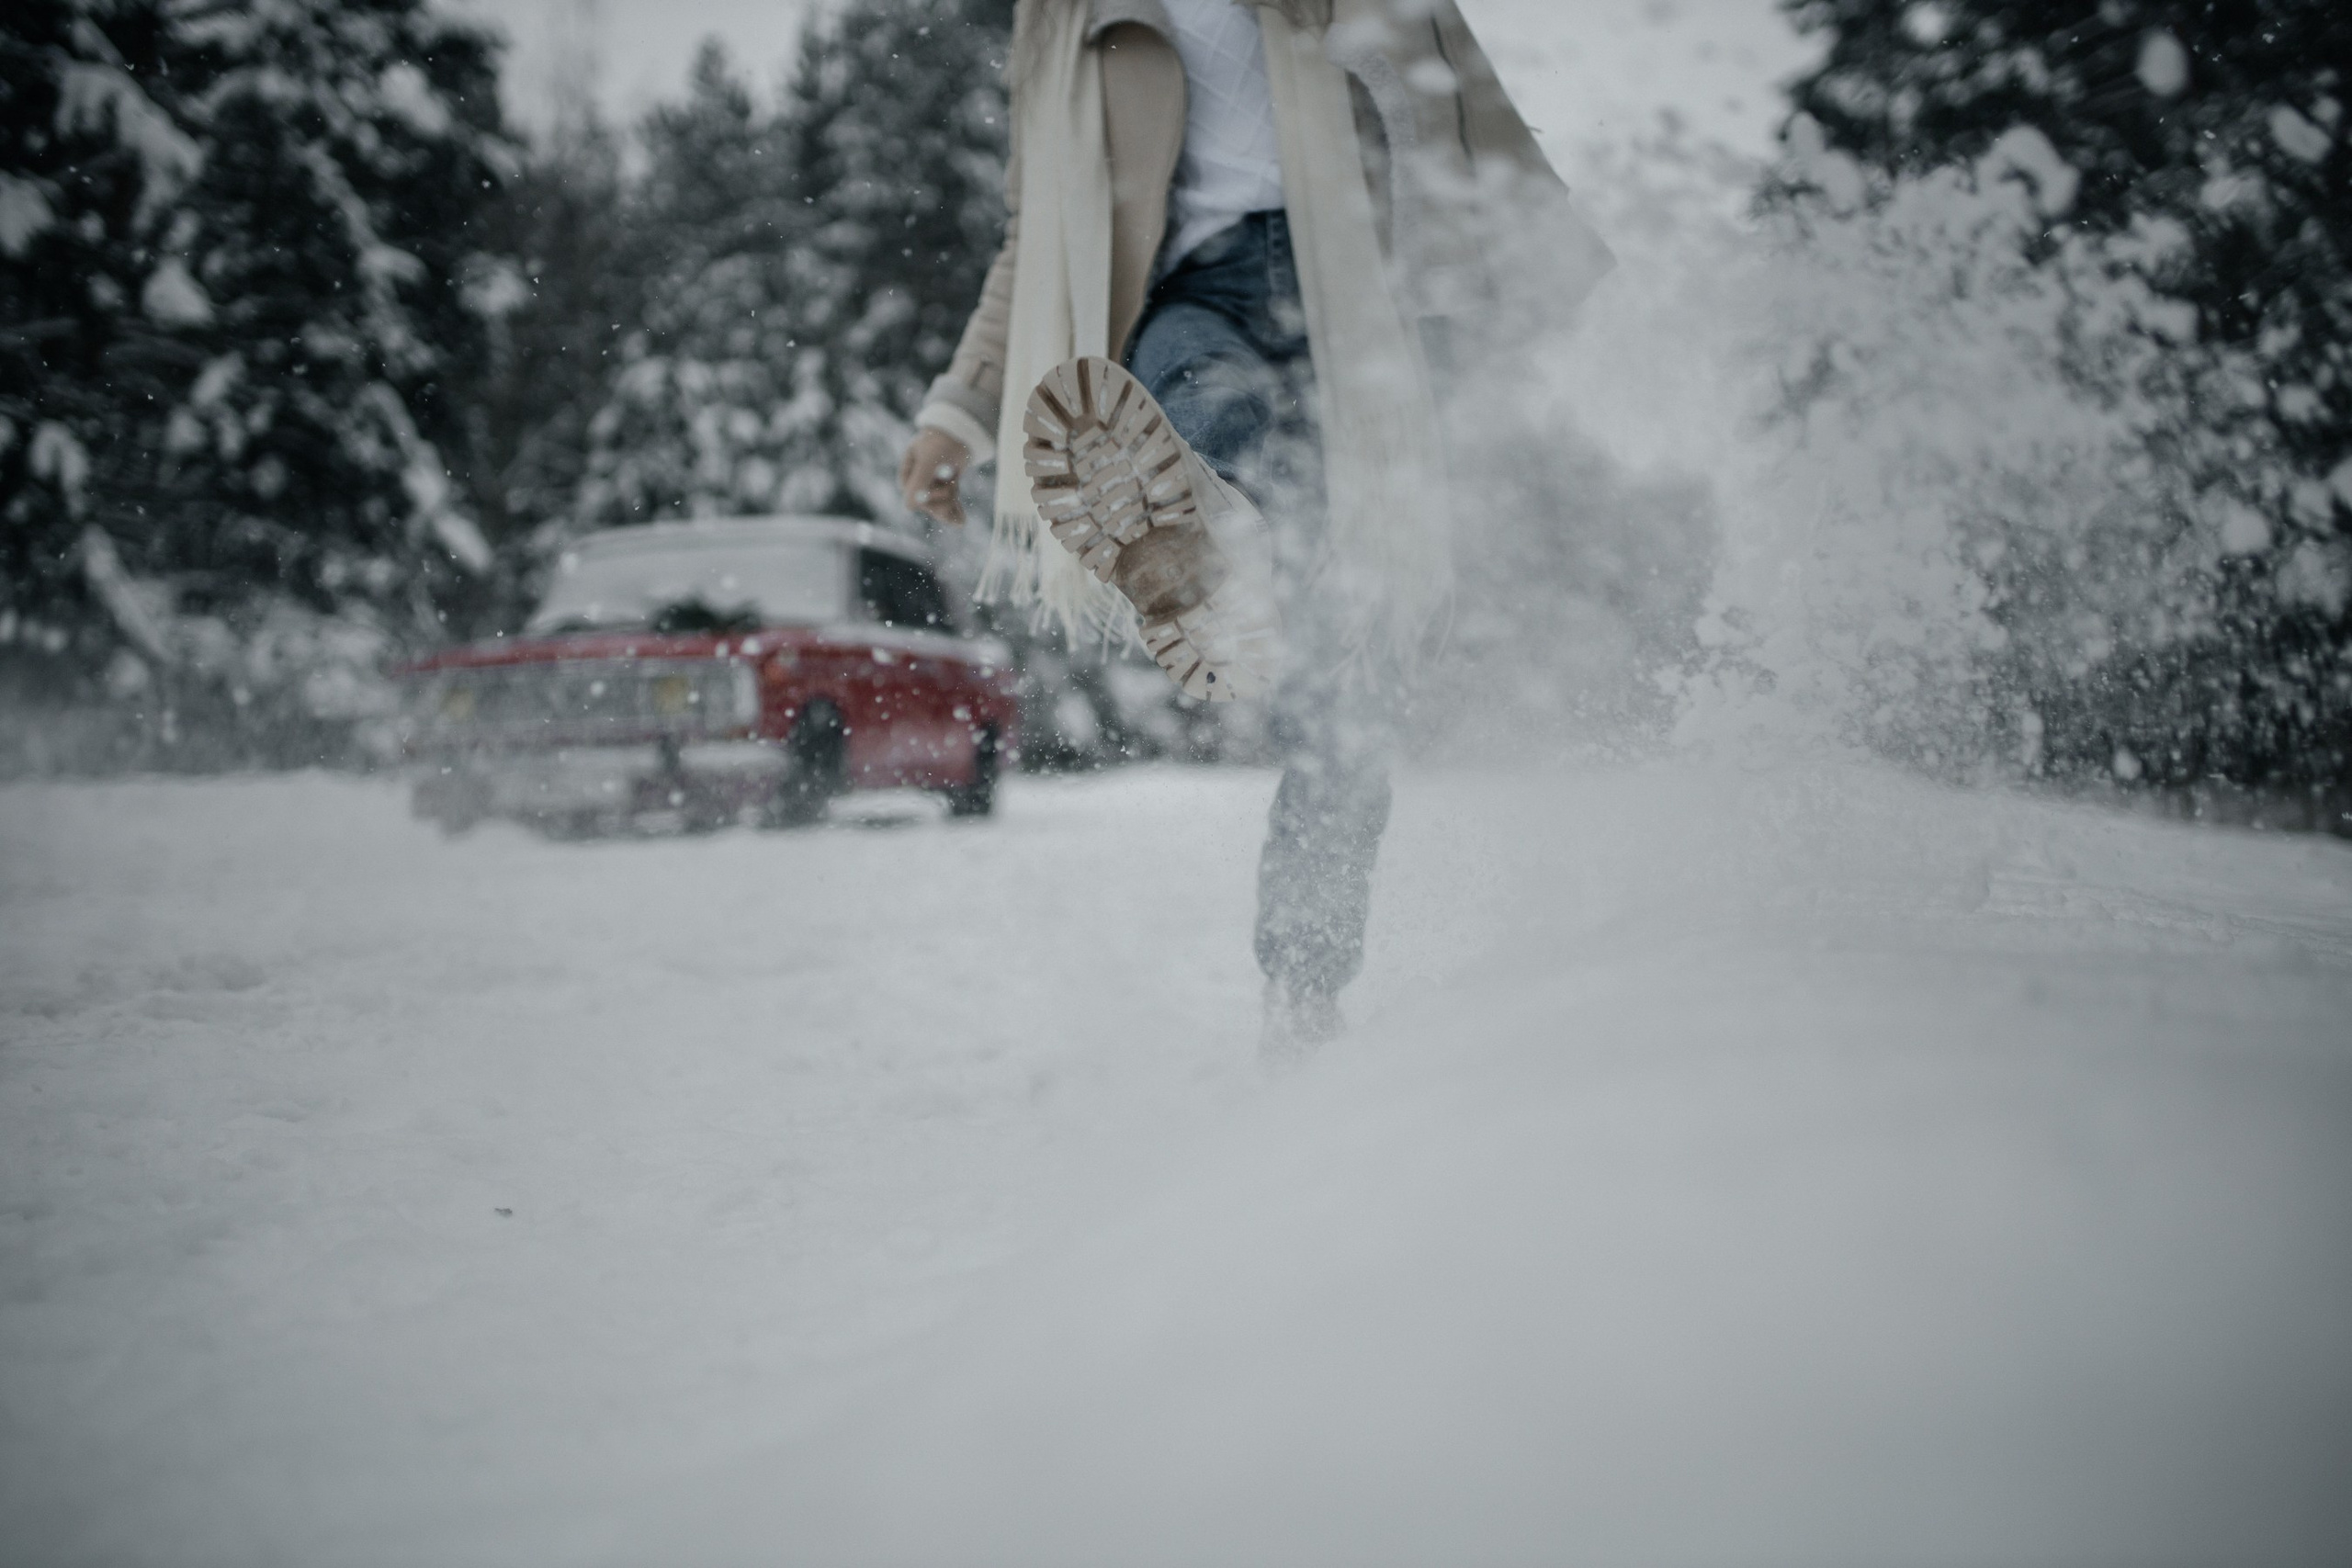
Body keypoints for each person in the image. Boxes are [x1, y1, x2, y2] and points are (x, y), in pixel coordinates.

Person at [899, 0, 1608, 1061]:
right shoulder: (1062, 19)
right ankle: (1204, 535)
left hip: (1356, 299)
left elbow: (1456, 102)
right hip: (1193, 289)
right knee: (1202, 402)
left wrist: (1530, 275)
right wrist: (959, 407)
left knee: (1348, 682)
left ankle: (1304, 987)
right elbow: (1031, 228)